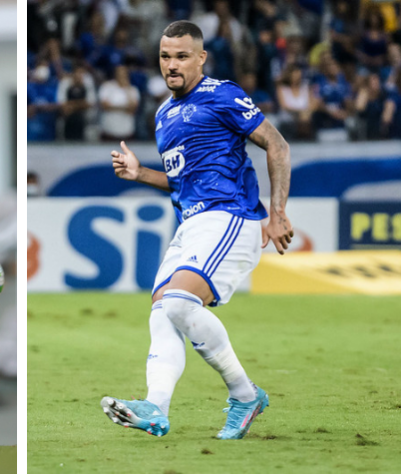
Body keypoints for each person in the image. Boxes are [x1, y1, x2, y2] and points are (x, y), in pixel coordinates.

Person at [100, 20, 293, 440]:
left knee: (180, 303)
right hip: (191, 224)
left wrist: (276, 212)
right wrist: (140, 174)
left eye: (182, 56)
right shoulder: (164, 113)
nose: (172, 65)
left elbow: (277, 145)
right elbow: (184, 180)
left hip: (231, 217)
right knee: (161, 311)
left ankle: (245, 394)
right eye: (166, 56)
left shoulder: (221, 94)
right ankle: (155, 407)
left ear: (200, 58)